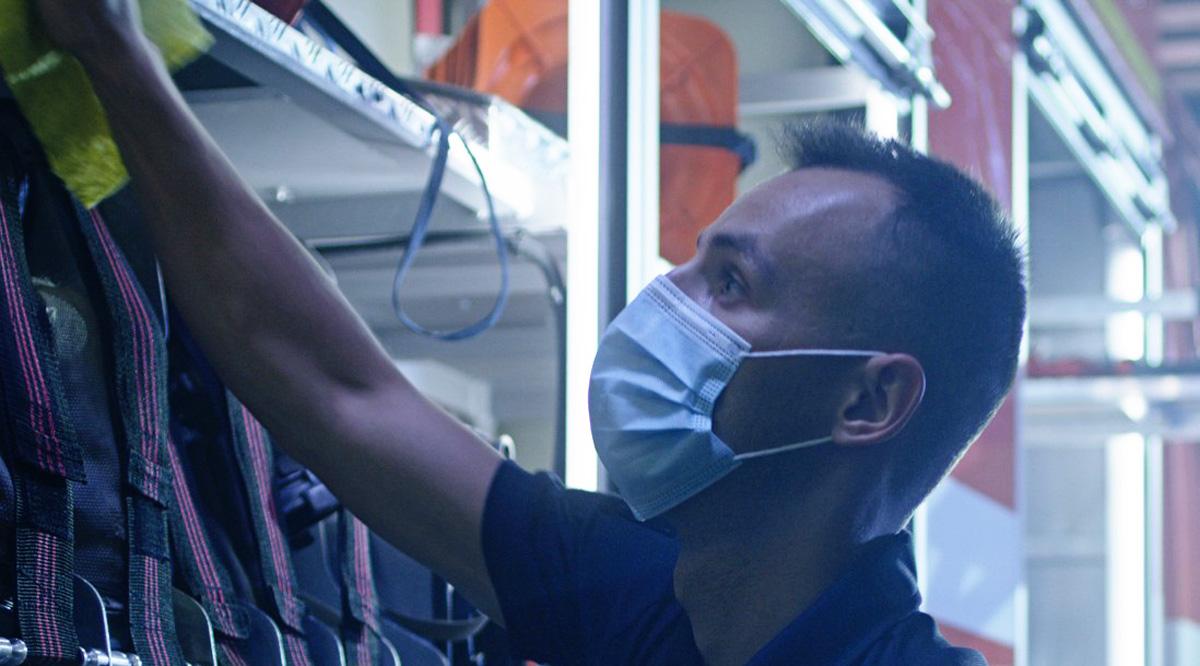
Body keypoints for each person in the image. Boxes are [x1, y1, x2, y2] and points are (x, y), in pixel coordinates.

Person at [34, 1, 1025, 664]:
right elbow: (341, 393)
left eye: (730, 283)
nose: (664, 305)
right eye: (688, 261)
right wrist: (120, 61)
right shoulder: (650, 600)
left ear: (867, 400)